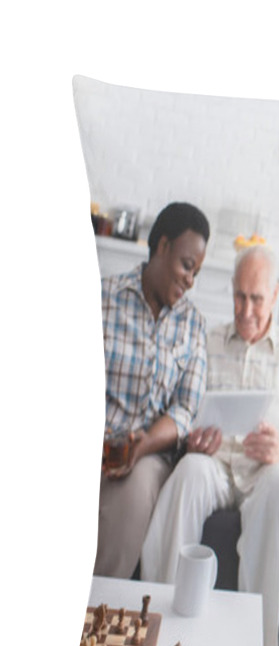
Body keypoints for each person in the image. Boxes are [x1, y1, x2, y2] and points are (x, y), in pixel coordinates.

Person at [141, 244, 279, 646]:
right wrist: (192, 441)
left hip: (265, 472)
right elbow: (183, 412)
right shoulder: (207, 340)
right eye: (240, 296)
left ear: (275, 297)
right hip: (216, 465)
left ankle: (253, 643)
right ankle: (162, 617)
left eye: (256, 298)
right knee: (188, 472)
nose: (246, 309)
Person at [95, 201, 210, 579]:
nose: (190, 280)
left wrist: (137, 447)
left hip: (147, 454)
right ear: (162, 247)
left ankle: (95, 615)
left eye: (196, 272)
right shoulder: (103, 298)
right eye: (187, 265)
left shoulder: (193, 326)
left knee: (135, 487)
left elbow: (184, 410)